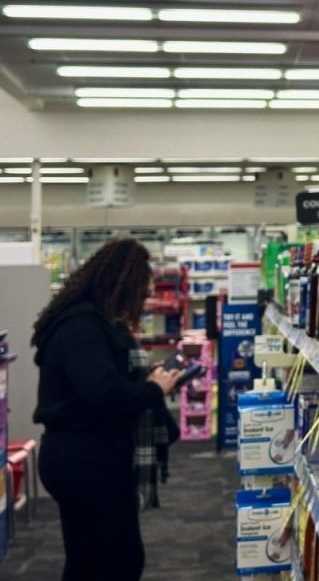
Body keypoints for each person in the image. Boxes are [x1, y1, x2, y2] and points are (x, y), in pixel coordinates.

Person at [31, 239, 182, 581]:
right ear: (122, 283)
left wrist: (151, 380)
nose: (144, 300)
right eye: (142, 291)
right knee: (114, 561)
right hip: (84, 463)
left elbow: (104, 382)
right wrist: (154, 388)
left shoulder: (89, 323)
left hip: (87, 459)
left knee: (91, 560)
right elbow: (104, 396)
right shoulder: (82, 327)